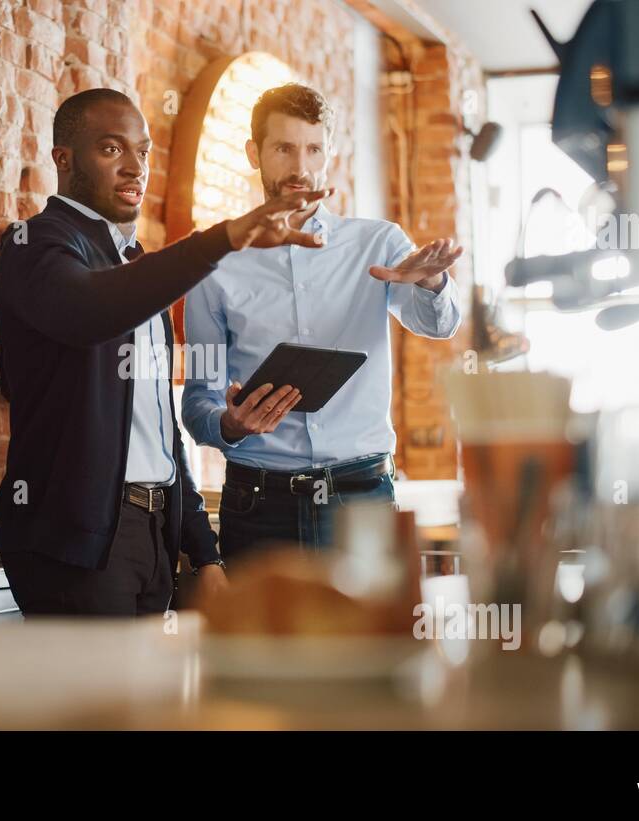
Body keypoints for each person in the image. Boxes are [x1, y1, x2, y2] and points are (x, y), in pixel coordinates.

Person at [0, 88, 332, 616]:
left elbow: (159, 429)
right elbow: (88, 311)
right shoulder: (33, 244)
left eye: (143, 152)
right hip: (75, 547)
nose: (135, 168)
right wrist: (222, 239)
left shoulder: (133, 263)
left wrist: (204, 552)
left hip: (152, 537)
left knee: (151, 700)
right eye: (111, 150)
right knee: (105, 700)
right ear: (63, 158)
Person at [182, 84, 463, 560]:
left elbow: (440, 325)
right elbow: (198, 403)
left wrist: (432, 283)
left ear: (328, 152)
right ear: (254, 153)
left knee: (371, 638)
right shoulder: (217, 262)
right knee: (257, 638)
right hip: (258, 505)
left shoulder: (378, 243)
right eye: (284, 149)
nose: (301, 167)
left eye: (314, 149)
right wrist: (229, 424)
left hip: (361, 499)